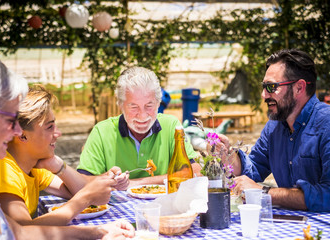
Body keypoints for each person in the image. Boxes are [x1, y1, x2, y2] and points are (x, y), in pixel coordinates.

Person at [0, 53, 135, 239]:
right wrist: (85, 198)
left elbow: (20, 232)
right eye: (9, 120)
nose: (15, 130)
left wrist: (98, 231)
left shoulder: (25, 168)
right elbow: (22, 231)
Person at [0, 85, 122, 226]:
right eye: (50, 127)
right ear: (22, 135)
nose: (58, 133)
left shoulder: (32, 165)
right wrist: (85, 198)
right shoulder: (0, 171)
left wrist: (60, 167)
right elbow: (24, 231)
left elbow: (75, 191)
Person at [220, 49, 330, 212]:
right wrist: (227, 155)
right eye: (264, 87)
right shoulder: (274, 126)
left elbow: (327, 195)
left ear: (299, 88)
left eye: (271, 87)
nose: (264, 95)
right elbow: (254, 169)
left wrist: (264, 193)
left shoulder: (326, 124)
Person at [77, 66, 201, 188]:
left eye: (149, 106)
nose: (142, 116)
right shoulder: (101, 131)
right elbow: (81, 181)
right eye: (133, 107)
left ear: (158, 103)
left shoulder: (171, 126)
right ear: (120, 104)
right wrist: (107, 178)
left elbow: (195, 171)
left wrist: (133, 183)